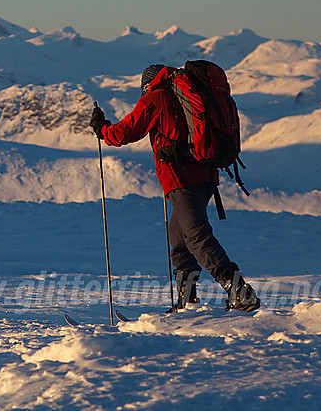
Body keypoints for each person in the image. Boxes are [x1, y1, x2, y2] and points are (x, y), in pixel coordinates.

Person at [89, 64, 260, 312]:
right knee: (179, 239)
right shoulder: (189, 93)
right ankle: (187, 300)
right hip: (207, 175)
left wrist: (101, 127)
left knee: (196, 237)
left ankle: (240, 291)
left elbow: (123, 133)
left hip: (182, 179)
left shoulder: (156, 97)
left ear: (147, 84)